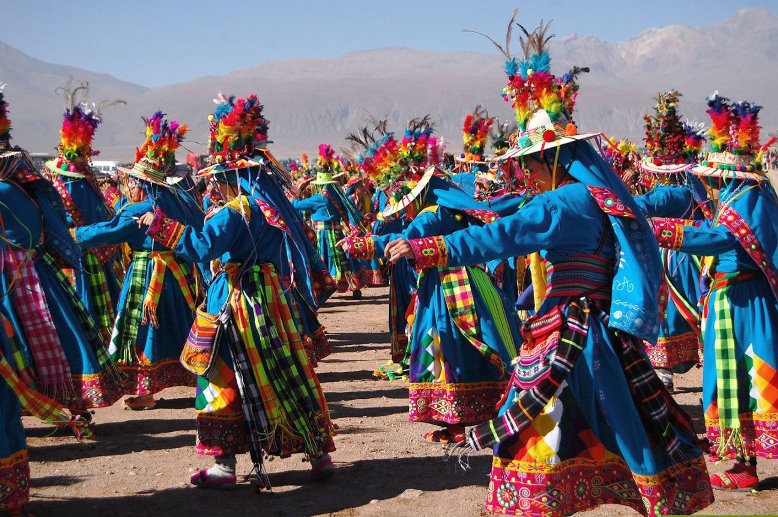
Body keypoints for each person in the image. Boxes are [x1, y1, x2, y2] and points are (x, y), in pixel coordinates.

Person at [384, 19, 712, 515]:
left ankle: (538, 497)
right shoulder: (598, 197)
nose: (529, 175)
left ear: (552, 161)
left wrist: (428, 249)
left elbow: (501, 236)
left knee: (538, 415)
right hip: (602, 329)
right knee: (619, 416)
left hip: (568, 328)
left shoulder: (561, 204)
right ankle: (624, 490)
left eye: (532, 165)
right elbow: (508, 220)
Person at [138, 93, 335, 489]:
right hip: (271, 304)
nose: (213, 185)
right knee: (289, 371)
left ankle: (224, 466)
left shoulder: (237, 210)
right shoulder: (270, 206)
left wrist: (159, 225)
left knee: (218, 376)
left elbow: (201, 246)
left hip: (235, 303)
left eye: (216, 178)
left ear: (228, 177)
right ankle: (319, 455)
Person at [652, 93, 778, 490]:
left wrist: (662, 231)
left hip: (744, 304)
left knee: (751, 376)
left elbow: (720, 239)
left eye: (713, 176)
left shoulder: (748, 201)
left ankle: (745, 462)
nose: (707, 181)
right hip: (733, 302)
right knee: (734, 378)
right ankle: (743, 459)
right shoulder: (738, 198)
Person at [0, 84, 124, 417]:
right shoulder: (32, 186)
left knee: (33, 339)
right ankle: (73, 400)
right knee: (63, 332)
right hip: (46, 269)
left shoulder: (9, 190)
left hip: (17, 277)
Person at [74, 112, 204, 410]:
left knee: (144, 329)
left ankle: (145, 393)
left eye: (131, 180)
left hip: (147, 276)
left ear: (141, 182)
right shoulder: (182, 201)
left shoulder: (141, 208)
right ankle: (202, 383)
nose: (129, 185)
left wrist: (71, 234)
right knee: (184, 325)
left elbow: (109, 231)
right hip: (181, 273)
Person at [631, 91, 710, 391]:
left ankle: (664, 365)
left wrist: (619, 196)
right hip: (687, 256)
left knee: (667, 309)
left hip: (671, 259)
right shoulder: (691, 192)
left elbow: (647, 201)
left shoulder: (673, 194)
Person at [44, 80, 126, 342]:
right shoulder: (84, 182)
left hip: (68, 257)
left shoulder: (61, 181)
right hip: (94, 258)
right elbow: (101, 218)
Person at [291, 144, 368, 298]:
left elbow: (297, 206)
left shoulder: (319, 199)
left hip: (324, 235)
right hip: (337, 231)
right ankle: (354, 286)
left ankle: (327, 286)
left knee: (325, 259)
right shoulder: (338, 197)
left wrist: (293, 195)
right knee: (343, 258)